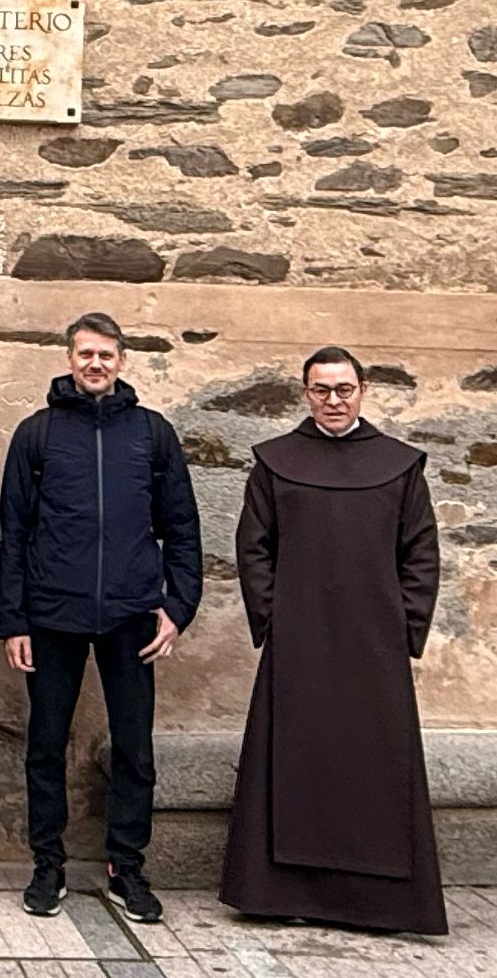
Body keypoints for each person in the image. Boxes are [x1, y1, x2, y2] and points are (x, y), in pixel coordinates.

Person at [219, 347, 446, 935]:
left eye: (343, 389)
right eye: (321, 390)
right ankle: (282, 893)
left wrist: (401, 629)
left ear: (363, 390)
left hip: (375, 652)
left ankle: (374, 902)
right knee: (293, 767)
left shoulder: (399, 466)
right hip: (298, 649)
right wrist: (275, 619)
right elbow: (254, 547)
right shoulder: (275, 462)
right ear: (305, 393)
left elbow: (421, 554)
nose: (334, 400)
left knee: (373, 775)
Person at [0, 312, 202, 925]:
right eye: (85, 353)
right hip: (52, 614)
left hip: (132, 615)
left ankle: (127, 867)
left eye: (106, 354)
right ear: (68, 358)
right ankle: (47, 865)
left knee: (135, 748)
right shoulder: (37, 435)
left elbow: (183, 528)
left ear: (121, 360)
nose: (95, 363)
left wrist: (177, 606)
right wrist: (14, 620)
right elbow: (14, 535)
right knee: (45, 745)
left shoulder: (152, 434)